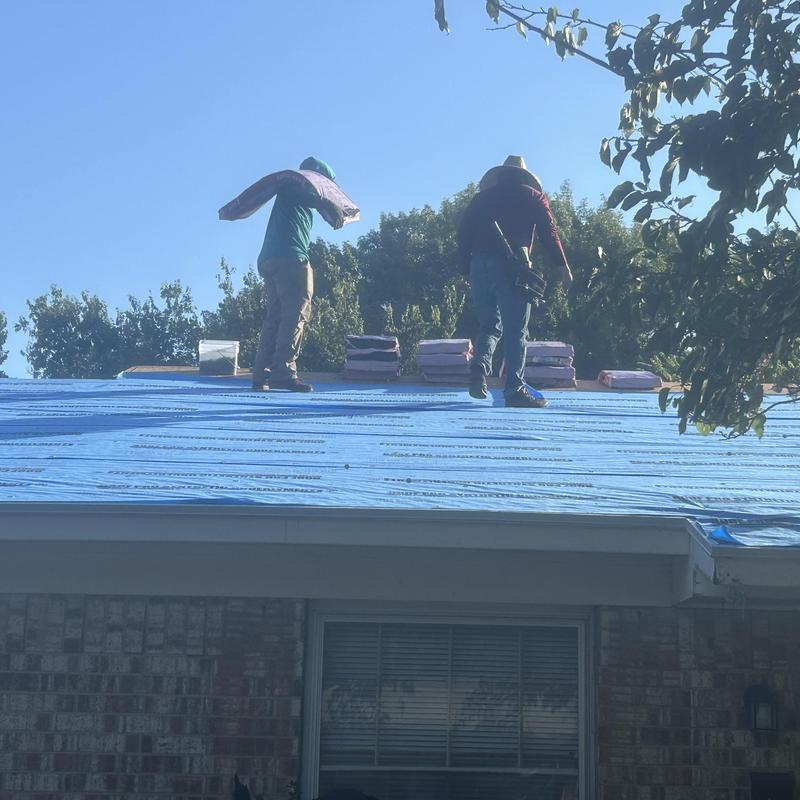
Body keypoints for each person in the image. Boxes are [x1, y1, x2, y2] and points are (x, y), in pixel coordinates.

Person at [457, 155, 573, 408]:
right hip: (512, 267)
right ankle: (515, 389)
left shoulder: (481, 199)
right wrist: (562, 266)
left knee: (489, 325)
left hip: (479, 265)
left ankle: (479, 368)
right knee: (517, 330)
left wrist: (465, 270)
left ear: (500, 175)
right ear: (524, 176)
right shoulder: (533, 197)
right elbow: (549, 233)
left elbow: (463, 233)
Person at [251, 156, 337, 392]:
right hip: (291, 257)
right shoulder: (298, 186)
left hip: (270, 258)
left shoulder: (289, 190)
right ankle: (283, 372)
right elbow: (316, 198)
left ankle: (261, 373)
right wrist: (333, 206)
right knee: (296, 313)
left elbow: (314, 201)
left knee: (275, 315)